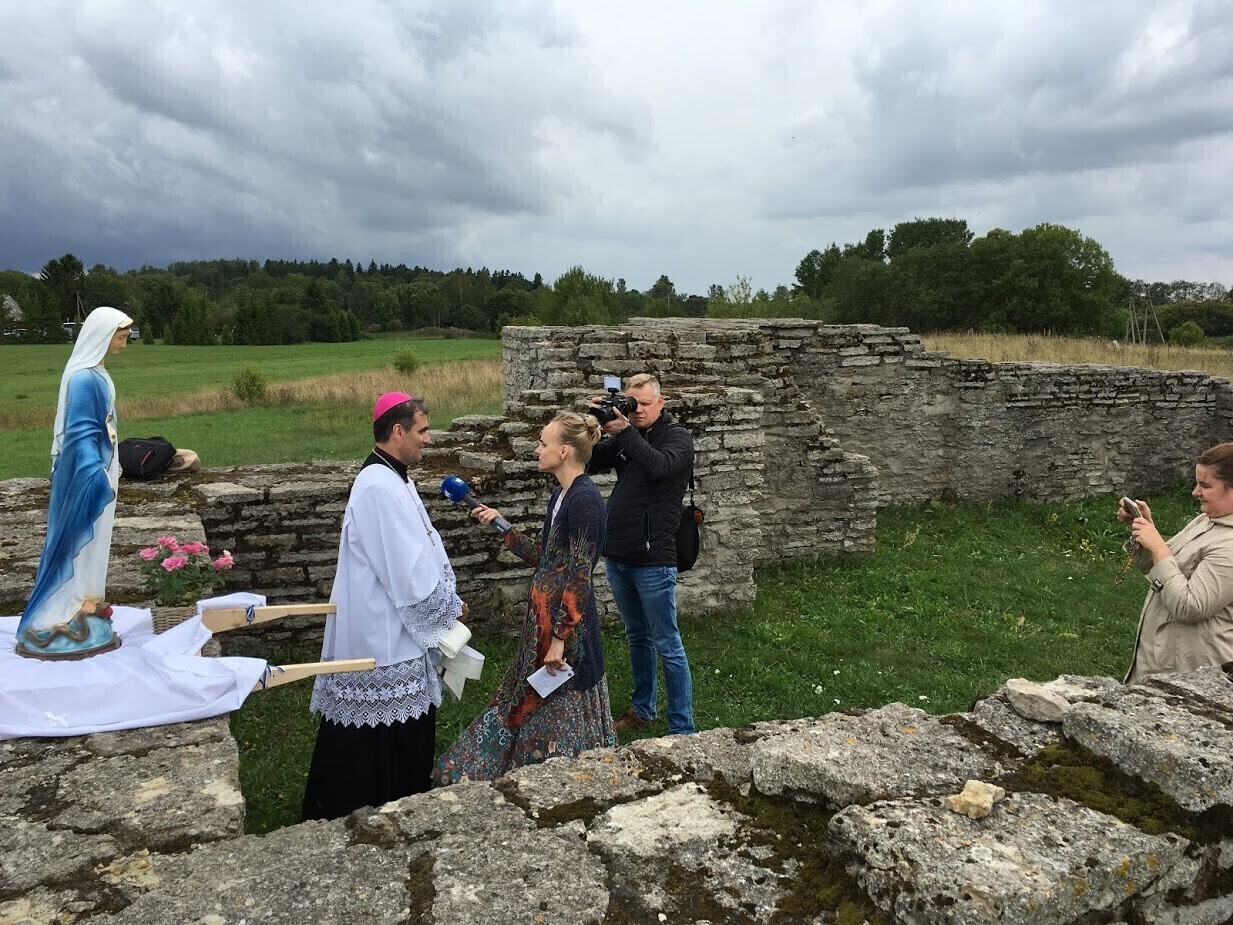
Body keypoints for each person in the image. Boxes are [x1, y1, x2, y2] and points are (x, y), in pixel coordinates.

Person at [301, 392, 466, 820]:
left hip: (392, 622)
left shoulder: (395, 476)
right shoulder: (377, 486)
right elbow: (405, 568)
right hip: (382, 629)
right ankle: (364, 812)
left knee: (391, 735)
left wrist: (446, 596)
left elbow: (421, 546)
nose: (428, 439)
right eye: (422, 430)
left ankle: (396, 804)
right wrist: (444, 608)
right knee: (374, 740)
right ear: (397, 431)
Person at [434, 411, 615, 783]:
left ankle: (553, 780)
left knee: (555, 700)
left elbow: (579, 578)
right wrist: (503, 527)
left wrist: (560, 640)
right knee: (525, 695)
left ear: (564, 451)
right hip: (541, 627)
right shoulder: (561, 495)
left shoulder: (584, 502)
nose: (537, 449)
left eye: (543, 443)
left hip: (567, 635)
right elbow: (546, 558)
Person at [18, 307, 133, 660]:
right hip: (86, 472)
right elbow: (81, 432)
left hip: (101, 465)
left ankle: (86, 600)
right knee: (77, 540)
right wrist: (95, 471)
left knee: (94, 540)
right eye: (120, 337)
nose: (124, 344)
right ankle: (61, 609)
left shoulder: (96, 372)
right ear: (102, 335)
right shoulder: (84, 378)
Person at [587, 373, 696, 735]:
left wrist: (625, 432)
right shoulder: (626, 436)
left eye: (645, 404)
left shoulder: (677, 437)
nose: (638, 411)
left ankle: (682, 727)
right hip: (618, 555)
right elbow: (589, 461)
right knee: (637, 636)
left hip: (653, 559)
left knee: (668, 643)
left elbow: (660, 466)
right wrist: (592, 427)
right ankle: (643, 708)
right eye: (632, 404)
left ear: (661, 403)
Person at [1122, 442, 1233, 684]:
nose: (1195, 492)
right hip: (1165, 662)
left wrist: (1158, 547)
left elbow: (1189, 607)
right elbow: (1159, 568)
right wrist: (1146, 531)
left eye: (1205, 486)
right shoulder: (1206, 520)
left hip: (1192, 676)